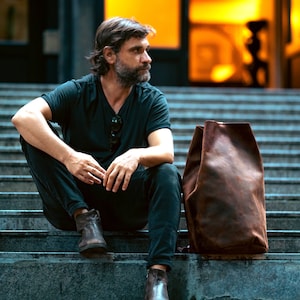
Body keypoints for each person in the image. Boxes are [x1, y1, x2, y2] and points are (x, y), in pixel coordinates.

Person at [11, 17, 182, 299]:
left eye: (146, 49)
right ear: (110, 55)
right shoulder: (78, 91)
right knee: (33, 134)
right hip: (74, 203)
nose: (147, 58)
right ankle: (86, 220)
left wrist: (137, 154)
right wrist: (69, 157)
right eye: (137, 50)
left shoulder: (151, 99)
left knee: (166, 172)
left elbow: (166, 151)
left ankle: (158, 275)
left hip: (126, 203)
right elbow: (24, 116)